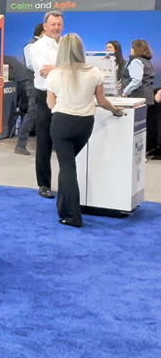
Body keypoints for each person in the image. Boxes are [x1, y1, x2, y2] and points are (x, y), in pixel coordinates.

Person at [46, 34, 124, 228]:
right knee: (69, 165)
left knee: (67, 167)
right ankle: (63, 206)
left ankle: (72, 215)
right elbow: (102, 101)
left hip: (62, 123)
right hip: (84, 125)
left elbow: (50, 103)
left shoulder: (55, 74)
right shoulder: (95, 72)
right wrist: (116, 111)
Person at [30, 11, 64, 198]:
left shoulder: (66, 44)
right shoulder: (37, 47)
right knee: (44, 142)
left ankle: (67, 185)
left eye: (59, 24)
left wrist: (56, 67)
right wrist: (64, 68)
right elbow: (45, 72)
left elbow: (76, 67)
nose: (56, 28)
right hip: (45, 96)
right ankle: (44, 184)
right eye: (53, 24)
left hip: (66, 96)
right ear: (45, 26)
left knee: (66, 141)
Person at [122, 39, 156, 153]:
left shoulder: (136, 61)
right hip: (147, 97)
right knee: (141, 129)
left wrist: (125, 92)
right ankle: (140, 153)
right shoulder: (147, 62)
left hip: (137, 98)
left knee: (134, 128)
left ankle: (133, 153)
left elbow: (136, 81)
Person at [15, 23, 44, 155]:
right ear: (43, 32)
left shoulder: (43, 46)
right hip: (33, 83)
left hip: (42, 83)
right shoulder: (30, 45)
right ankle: (20, 144)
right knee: (32, 112)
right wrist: (45, 68)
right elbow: (30, 64)